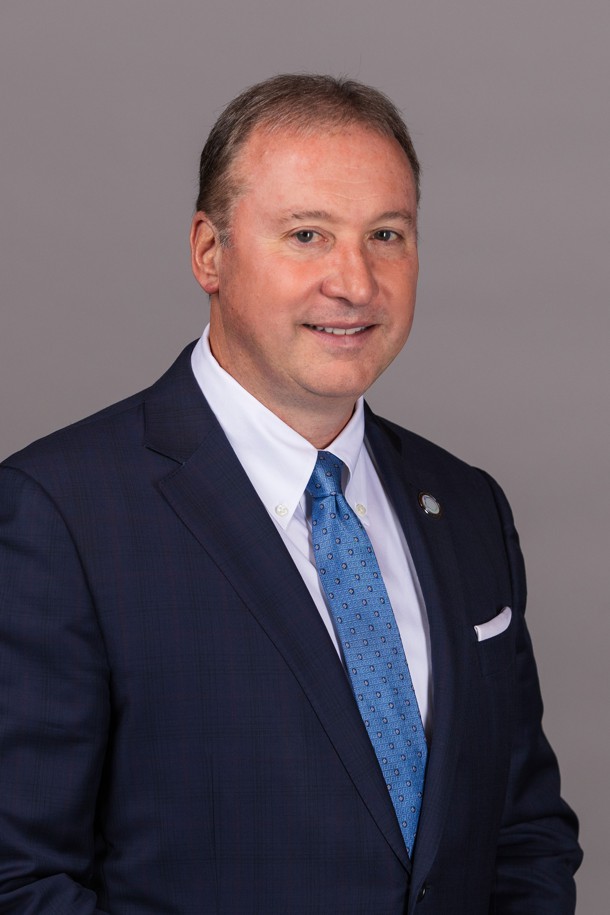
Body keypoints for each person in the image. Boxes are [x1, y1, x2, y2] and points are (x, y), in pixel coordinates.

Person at [0, 74, 581, 914]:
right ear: (209, 252)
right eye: (308, 234)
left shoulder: (466, 506)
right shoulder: (58, 515)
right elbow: (18, 878)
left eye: (386, 234)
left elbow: (524, 834)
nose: (356, 282)